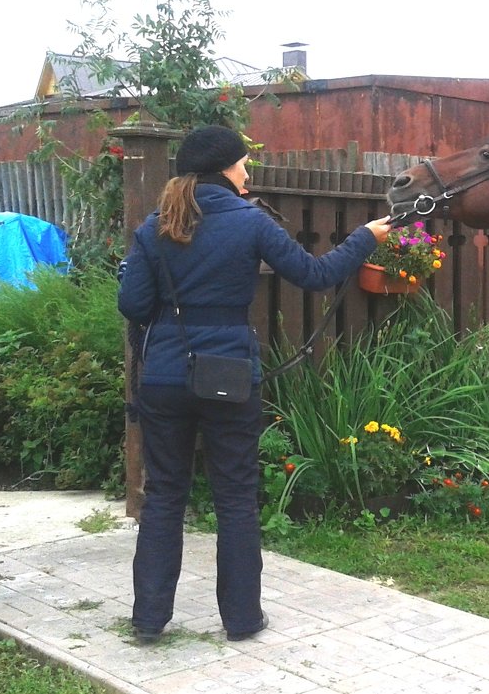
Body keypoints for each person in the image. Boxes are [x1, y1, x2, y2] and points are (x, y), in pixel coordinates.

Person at [117, 125, 392, 644]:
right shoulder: (250, 222)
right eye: (244, 164)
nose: (248, 172)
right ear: (225, 168)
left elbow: (131, 306)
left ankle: (149, 619)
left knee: (163, 497)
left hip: (165, 377)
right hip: (229, 377)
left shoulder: (155, 226)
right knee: (236, 498)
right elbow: (314, 274)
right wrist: (365, 237)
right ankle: (242, 620)